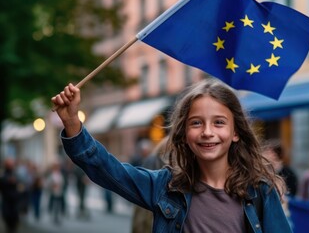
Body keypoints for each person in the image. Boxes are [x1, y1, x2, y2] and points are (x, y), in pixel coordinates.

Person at [51, 79, 292, 232]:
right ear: (184, 133)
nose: (208, 132)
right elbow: (105, 169)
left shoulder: (261, 191)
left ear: (235, 132)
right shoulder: (164, 187)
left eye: (219, 123)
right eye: (196, 123)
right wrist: (72, 121)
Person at [0, 158, 22, 233]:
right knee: (8, 221)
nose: (11, 166)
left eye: (12, 164)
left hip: (15, 202)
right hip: (7, 202)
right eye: (10, 164)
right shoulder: (3, 174)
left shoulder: (15, 174)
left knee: (14, 222)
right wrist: (8, 181)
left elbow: (20, 185)